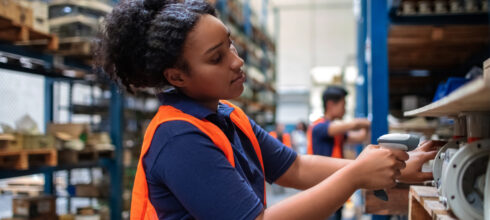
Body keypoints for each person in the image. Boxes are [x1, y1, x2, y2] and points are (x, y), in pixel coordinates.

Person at [95, 1, 438, 219]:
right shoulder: (178, 138)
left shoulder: (227, 115)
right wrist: (355, 175)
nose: (236, 61)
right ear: (177, 76)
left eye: (230, 44)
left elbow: (296, 167)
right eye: (216, 58)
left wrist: (395, 169)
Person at [307, 86, 370, 220]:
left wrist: (366, 126)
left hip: (335, 186)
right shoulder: (319, 127)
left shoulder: (337, 131)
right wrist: (364, 122)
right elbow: (350, 126)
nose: (345, 109)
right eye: (343, 104)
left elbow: (360, 137)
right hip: (321, 190)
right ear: (330, 104)